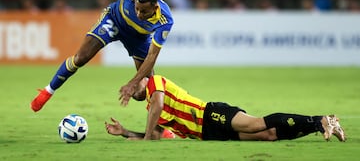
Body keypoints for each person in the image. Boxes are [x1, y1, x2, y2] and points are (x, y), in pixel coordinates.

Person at [30, 0, 174, 112]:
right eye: (137, 9)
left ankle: (159, 128)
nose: (139, 14)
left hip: (139, 38)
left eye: (143, 11)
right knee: (81, 57)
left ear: (155, 7)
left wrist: (133, 83)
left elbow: (152, 56)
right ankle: (48, 91)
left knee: (144, 90)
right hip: (114, 21)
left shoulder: (165, 21)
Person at [105, 75, 346, 141]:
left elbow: (156, 106)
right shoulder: (152, 107)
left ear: (143, 79)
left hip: (210, 114)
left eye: (133, 83)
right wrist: (126, 132)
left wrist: (145, 138)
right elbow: (157, 134)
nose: (131, 88)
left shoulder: (156, 83)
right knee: (268, 135)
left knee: (256, 123)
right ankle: (319, 127)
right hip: (208, 134)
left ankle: (322, 120)